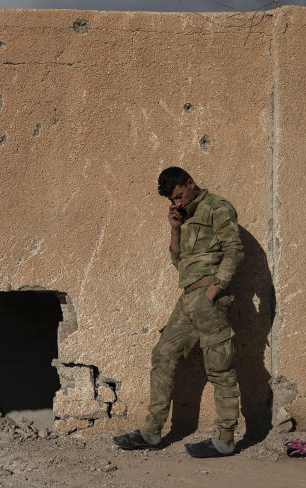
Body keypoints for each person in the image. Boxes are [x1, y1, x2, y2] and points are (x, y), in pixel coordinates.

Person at [113, 166, 243, 455]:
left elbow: (234, 250)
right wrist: (174, 229)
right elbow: (179, 263)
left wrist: (212, 292)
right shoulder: (185, 217)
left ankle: (225, 439)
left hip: (208, 295)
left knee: (219, 366)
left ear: (191, 183)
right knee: (163, 354)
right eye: (173, 200)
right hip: (188, 297)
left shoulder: (216, 207)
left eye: (180, 196)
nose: (178, 203)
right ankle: (151, 432)